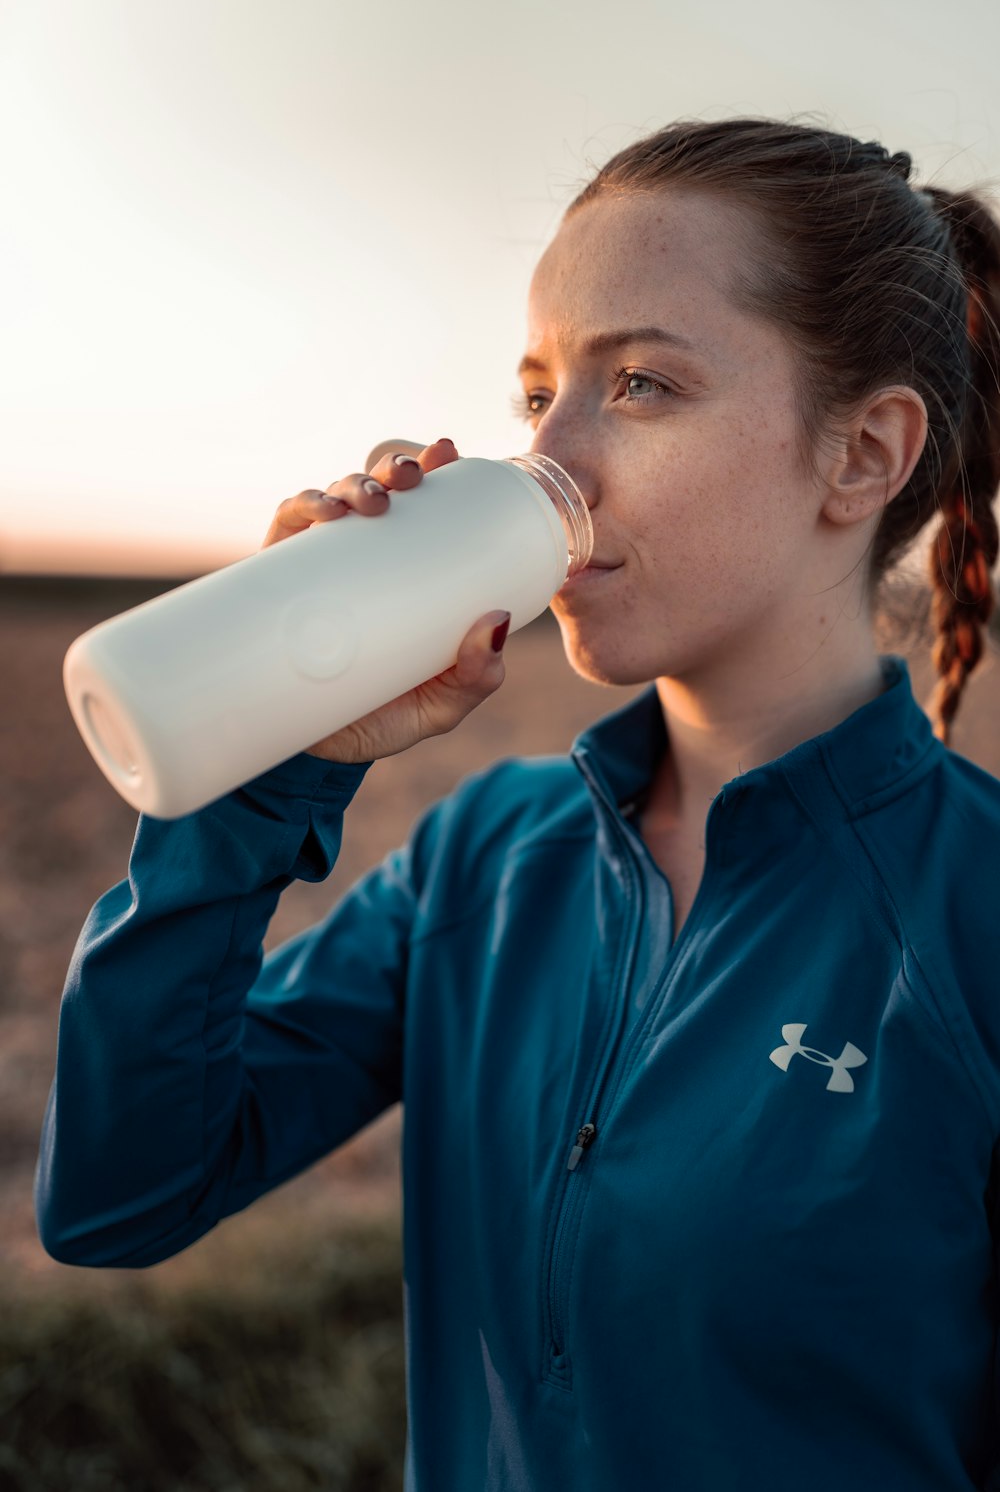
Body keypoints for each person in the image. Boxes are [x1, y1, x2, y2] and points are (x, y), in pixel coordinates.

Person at [36, 116, 1000, 1489]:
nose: (554, 457)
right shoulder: (483, 863)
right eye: (537, 393)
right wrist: (259, 757)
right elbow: (118, 1201)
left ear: (861, 456)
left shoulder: (974, 915)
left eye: (644, 386)